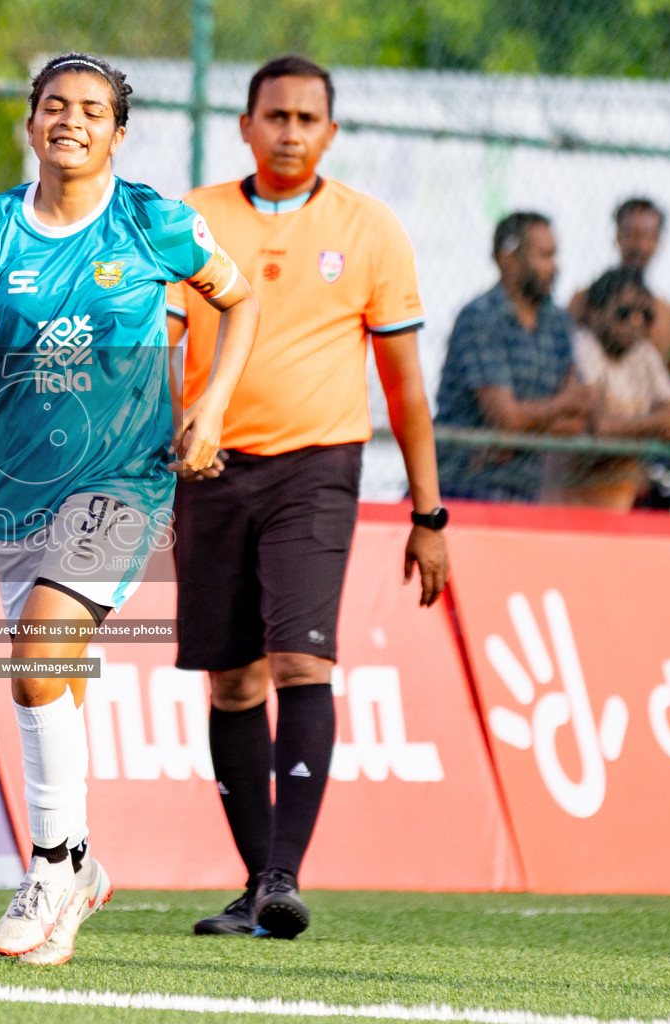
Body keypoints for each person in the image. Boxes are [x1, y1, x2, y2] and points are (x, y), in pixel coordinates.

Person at [0, 52, 259, 966]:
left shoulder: (152, 222)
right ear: (30, 125)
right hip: (21, 491)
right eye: (54, 106)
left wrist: (211, 409)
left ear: (116, 131)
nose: (71, 120)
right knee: (52, 679)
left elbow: (242, 300)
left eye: (92, 109)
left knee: (34, 662)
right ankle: (82, 869)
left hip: (125, 482)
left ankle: (51, 867)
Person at [165, 54, 449, 941]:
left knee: (301, 664)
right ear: (245, 127)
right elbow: (159, 350)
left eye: (307, 119)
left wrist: (428, 515)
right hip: (210, 471)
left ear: (331, 133)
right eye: (275, 116)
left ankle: (284, 876)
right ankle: (257, 886)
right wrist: (166, 437)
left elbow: (404, 387)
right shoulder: (194, 221)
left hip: (317, 471)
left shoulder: (369, 230)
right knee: (234, 679)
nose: (290, 132)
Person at [435, 212, 597, 503]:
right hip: (463, 488)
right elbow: (507, 417)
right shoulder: (481, 317)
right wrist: (559, 406)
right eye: (544, 256)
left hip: (525, 491)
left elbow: (579, 417)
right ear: (507, 258)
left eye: (554, 255)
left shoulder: (558, 322)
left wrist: (516, 434)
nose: (554, 266)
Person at [546, 267, 670, 510]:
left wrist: (627, 431)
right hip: (567, 507)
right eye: (624, 313)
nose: (636, 322)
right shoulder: (583, 345)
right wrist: (658, 424)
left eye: (646, 315)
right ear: (596, 312)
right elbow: (602, 427)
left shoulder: (643, 354)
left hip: (617, 507)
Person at [570, 198, 670, 377]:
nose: (639, 245)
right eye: (630, 234)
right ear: (617, 237)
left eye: (648, 235)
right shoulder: (584, 300)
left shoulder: (669, 316)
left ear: (658, 241)